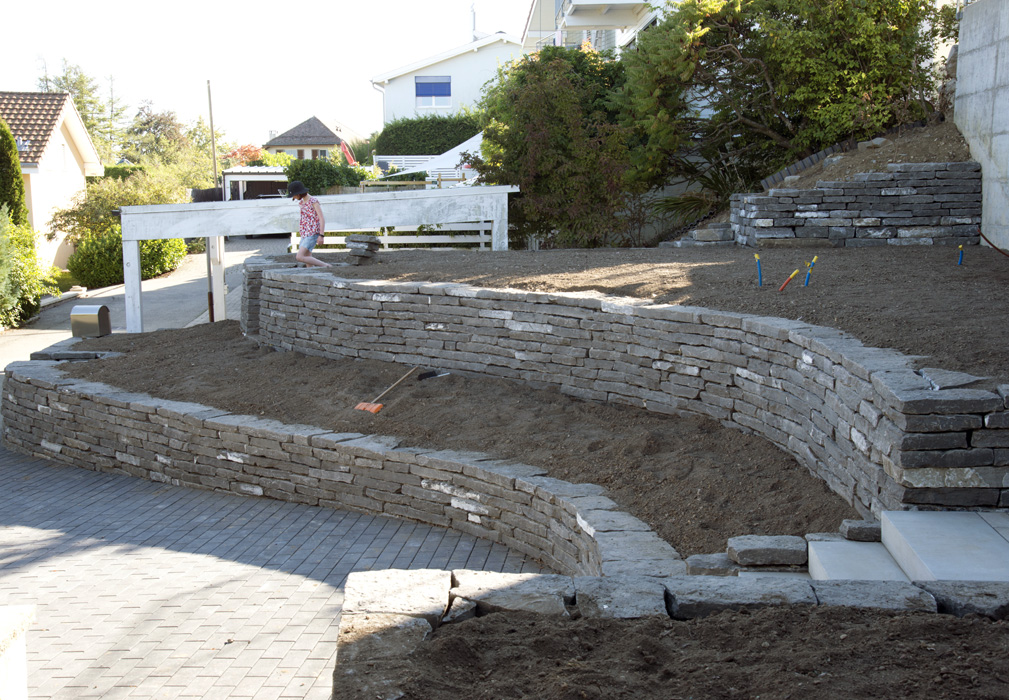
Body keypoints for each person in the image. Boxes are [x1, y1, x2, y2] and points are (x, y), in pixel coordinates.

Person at [289, 181, 332, 267]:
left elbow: (321, 218)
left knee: (300, 256)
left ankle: (326, 266)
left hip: (312, 233)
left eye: (294, 195)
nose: (293, 197)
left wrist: (321, 235)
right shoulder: (301, 203)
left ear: (298, 193)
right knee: (307, 258)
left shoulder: (313, 201)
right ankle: (311, 274)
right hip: (305, 233)